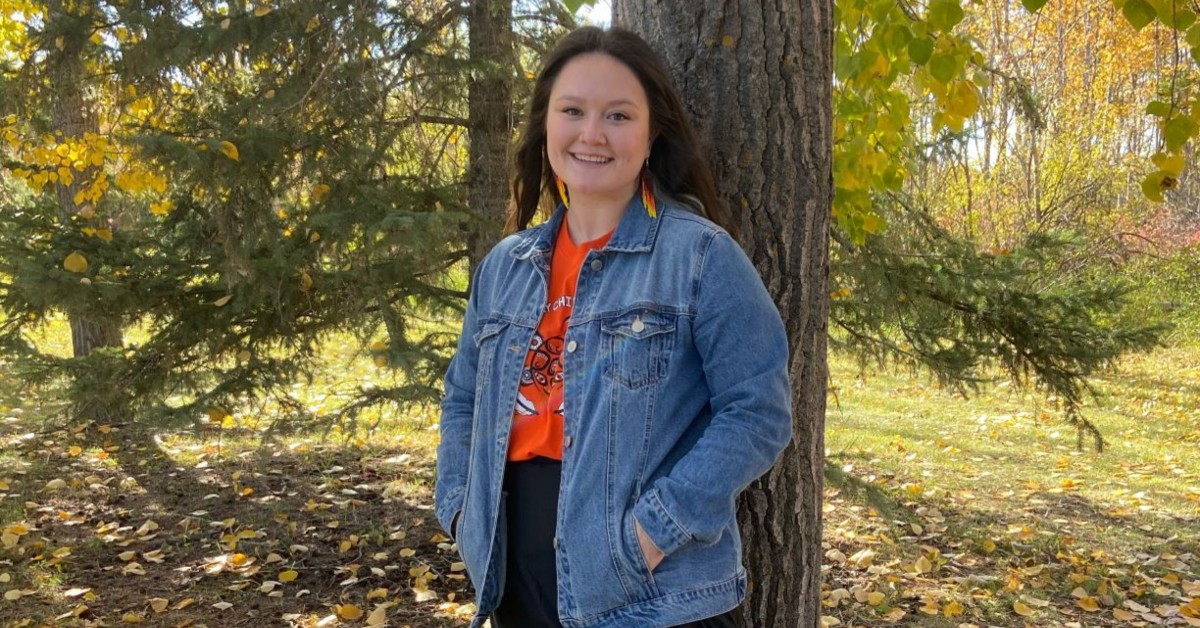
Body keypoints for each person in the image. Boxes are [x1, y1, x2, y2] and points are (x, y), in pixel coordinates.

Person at [435, 26, 792, 628]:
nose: (592, 134)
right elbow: (463, 398)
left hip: (651, 591)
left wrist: (654, 533)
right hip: (512, 579)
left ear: (652, 135)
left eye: (619, 115)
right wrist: (457, 507)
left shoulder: (699, 258)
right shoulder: (504, 268)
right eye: (572, 111)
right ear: (546, 124)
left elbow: (759, 411)